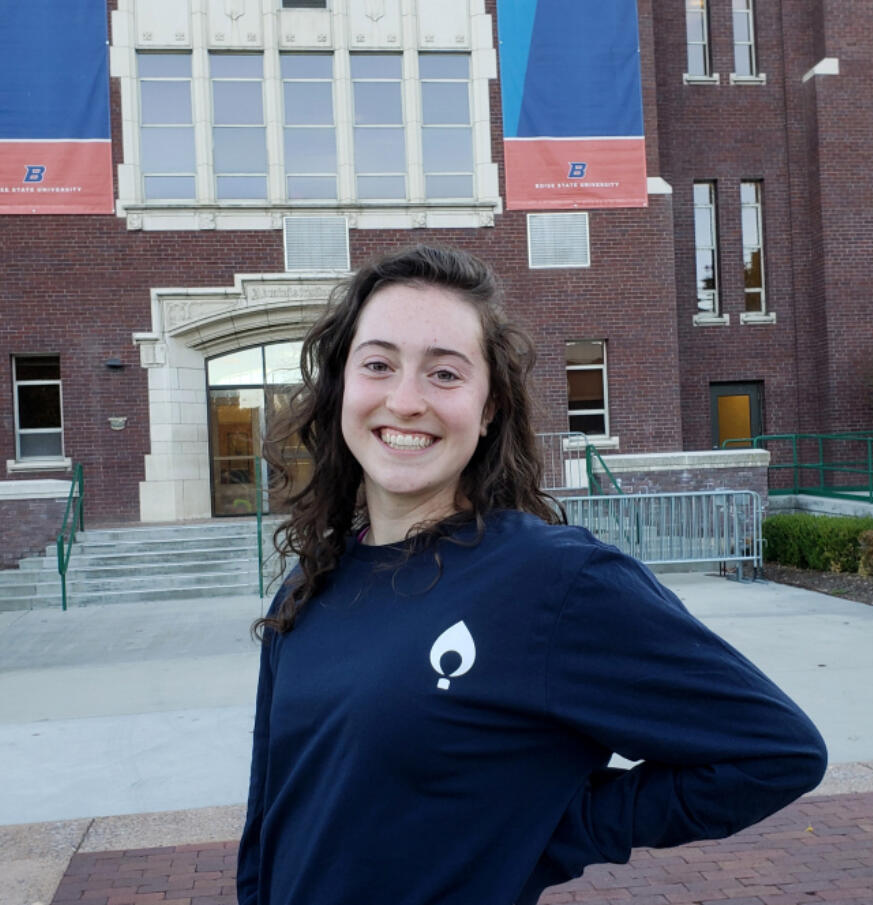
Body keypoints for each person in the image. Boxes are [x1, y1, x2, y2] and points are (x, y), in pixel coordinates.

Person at [236, 244, 826, 905]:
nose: (405, 400)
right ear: (342, 386)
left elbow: (775, 750)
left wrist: (551, 830)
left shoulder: (554, 581)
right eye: (378, 364)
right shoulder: (309, 583)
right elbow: (270, 810)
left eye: (445, 374)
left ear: (489, 408)